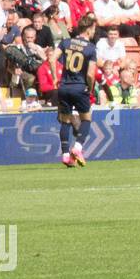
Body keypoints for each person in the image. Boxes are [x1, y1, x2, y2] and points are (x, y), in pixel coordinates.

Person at [55, 14, 99, 168]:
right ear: (88, 29)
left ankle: (66, 155)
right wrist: (90, 88)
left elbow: (51, 58)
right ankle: (78, 147)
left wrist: (56, 77)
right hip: (80, 86)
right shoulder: (91, 48)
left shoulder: (66, 42)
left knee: (65, 121)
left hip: (64, 86)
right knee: (86, 119)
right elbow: (90, 74)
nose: (94, 32)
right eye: (93, 29)